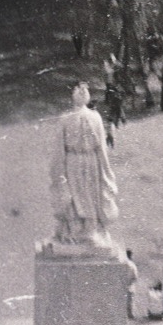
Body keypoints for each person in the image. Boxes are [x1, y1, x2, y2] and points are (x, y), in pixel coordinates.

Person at [51, 83, 118, 244]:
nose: (81, 92)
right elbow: (101, 147)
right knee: (81, 193)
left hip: (82, 161)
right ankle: (80, 227)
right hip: (82, 161)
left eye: (83, 90)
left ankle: (87, 228)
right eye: (79, 89)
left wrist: (106, 171)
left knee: (84, 193)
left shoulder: (83, 118)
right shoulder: (74, 119)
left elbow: (100, 146)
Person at [124, 249, 140, 320]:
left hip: (122, 285)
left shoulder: (122, 263)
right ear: (131, 255)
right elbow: (135, 276)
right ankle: (130, 314)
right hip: (130, 284)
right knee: (130, 301)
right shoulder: (132, 265)